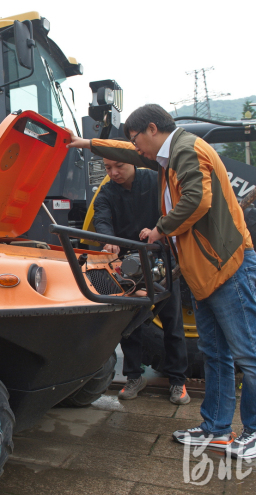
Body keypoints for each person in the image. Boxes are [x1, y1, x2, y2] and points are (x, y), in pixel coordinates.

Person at [66, 104, 256, 460]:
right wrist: (86, 143)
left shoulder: (187, 150)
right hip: (205, 273)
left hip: (228, 266)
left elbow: (198, 199)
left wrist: (160, 229)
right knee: (215, 354)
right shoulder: (167, 156)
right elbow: (128, 152)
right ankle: (216, 428)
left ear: (151, 129)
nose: (136, 149)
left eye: (137, 140)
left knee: (248, 354)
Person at [91, 158, 189, 405]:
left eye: (119, 166)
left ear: (132, 162)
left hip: (162, 261)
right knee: (129, 325)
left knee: (172, 323)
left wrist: (159, 231)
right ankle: (134, 377)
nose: (113, 173)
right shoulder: (106, 192)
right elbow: (101, 218)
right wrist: (107, 238)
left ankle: (178, 381)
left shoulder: (155, 181)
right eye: (107, 168)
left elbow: (173, 209)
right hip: (127, 265)